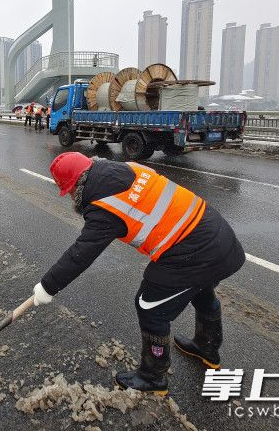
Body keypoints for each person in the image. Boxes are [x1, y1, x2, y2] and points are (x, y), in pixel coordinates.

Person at [31, 152, 245, 394]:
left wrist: (47, 287)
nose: (70, 196)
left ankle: (153, 376)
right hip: (218, 234)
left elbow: (79, 255)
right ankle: (207, 347)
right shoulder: (129, 168)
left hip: (196, 251)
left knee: (150, 307)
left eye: (68, 191)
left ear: (75, 186)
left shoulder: (104, 207)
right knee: (200, 287)